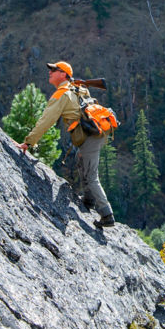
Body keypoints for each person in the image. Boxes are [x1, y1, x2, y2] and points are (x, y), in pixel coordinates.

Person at [16, 61, 115, 228]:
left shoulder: (62, 94)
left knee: (91, 176)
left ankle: (107, 214)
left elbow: (46, 121)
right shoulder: (79, 88)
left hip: (90, 137)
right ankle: (89, 200)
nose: (50, 72)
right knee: (80, 161)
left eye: (54, 70)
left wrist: (28, 142)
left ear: (63, 74)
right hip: (95, 132)